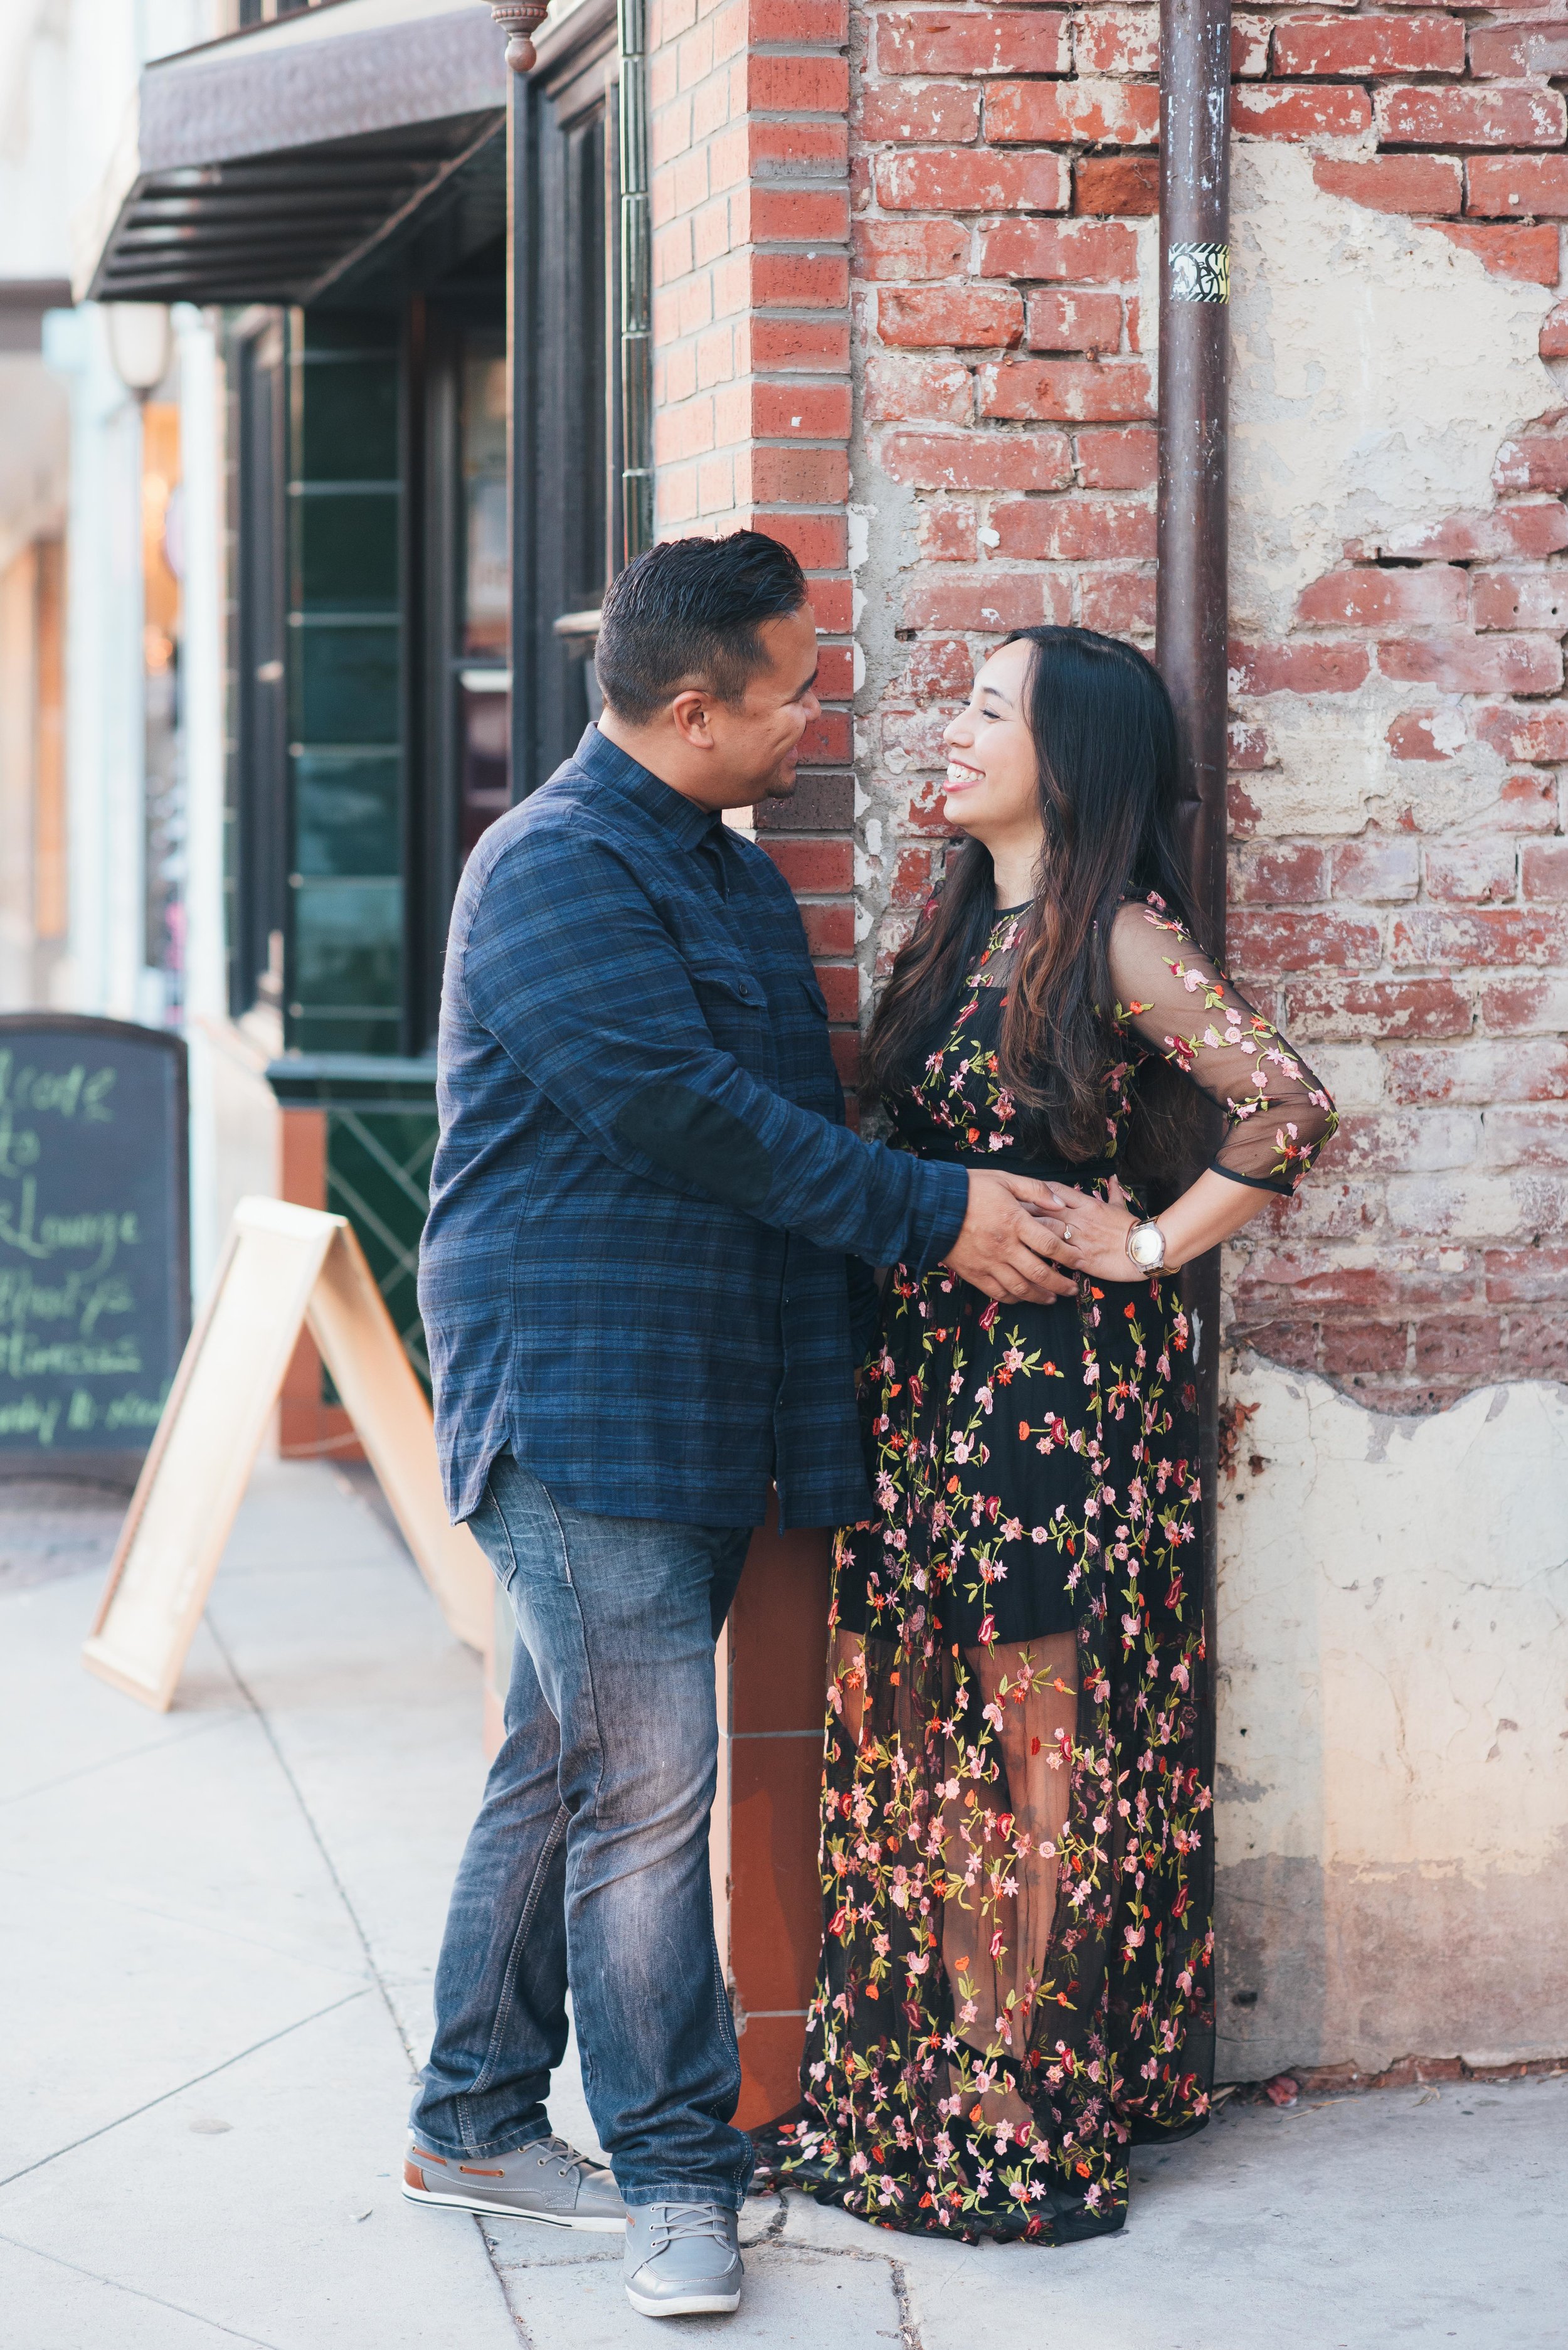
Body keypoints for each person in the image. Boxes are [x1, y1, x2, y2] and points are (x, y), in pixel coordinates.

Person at [403, 533, 1075, 2319]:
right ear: (690, 709)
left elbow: (785, 1112)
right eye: (786, 694)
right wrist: (936, 1215)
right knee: (645, 1793)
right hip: (579, 1392)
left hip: (689, 1387)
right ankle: (679, 2180)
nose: (811, 719)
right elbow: (688, 1115)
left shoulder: (717, 867)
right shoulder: (548, 867)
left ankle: (470, 2110)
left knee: (568, 1763)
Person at [773, 625, 1337, 2245]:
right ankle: (921, 2092)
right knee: (925, 1731)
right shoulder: (960, 929)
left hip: (1049, 1406)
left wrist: (1152, 1244)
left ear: (1068, 759)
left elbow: (1285, 1105)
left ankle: (1018, 2114)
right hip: (930, 1398)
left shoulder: (1119, 938)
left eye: (984, 710)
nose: (948, 732)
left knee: (1032, 1739)